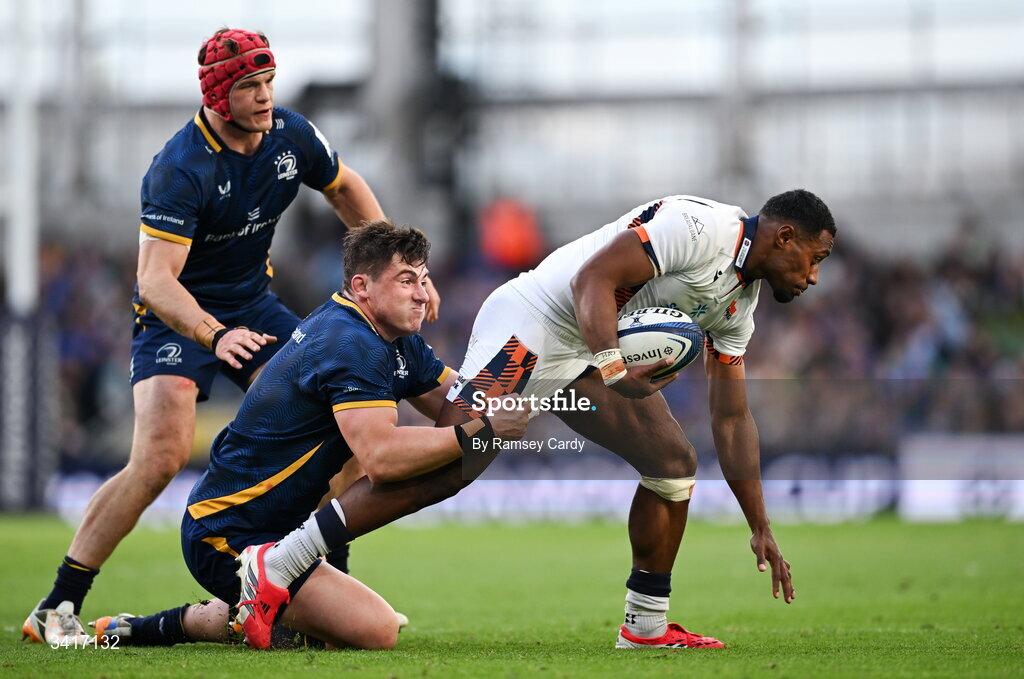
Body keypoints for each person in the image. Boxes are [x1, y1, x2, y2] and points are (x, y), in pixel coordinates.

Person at [240, 189, 835, 649]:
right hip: (532, 325)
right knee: (459, 456)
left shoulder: (739, 305)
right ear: (785, 236)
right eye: (815, 259)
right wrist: (613, 368)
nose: (813, 277)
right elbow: (592, 280)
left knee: (674, 466)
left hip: (584, 353)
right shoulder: (698, 227)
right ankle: (281, 560)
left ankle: (645, 627)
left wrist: (759, 523)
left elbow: (731, 418)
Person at [23, 28, 439, 645]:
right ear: (218, 96)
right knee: (159, 458)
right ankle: (59, 602)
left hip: (254, 305)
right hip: (178, 319)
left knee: (345, 424)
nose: (266, 96)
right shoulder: (179, 168)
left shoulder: (290, 136)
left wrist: (395, 266)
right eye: (250, 86)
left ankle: (319, 575)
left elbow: (346, 187)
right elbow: (154, 280)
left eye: (269, 82)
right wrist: (212, 334)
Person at [90, 221, 527, 650]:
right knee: (375, 631)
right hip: (228, 533)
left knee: (336, 626)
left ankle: (145, 628)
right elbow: (383, 458)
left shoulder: (391, 334)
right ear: (362, 286)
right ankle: (203, 613)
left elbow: (458, 401)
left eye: (425, 280)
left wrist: (527, 363)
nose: (421, 294)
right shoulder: (349, 341)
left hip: (277, 535)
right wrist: (481, 432)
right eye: (406, 280)